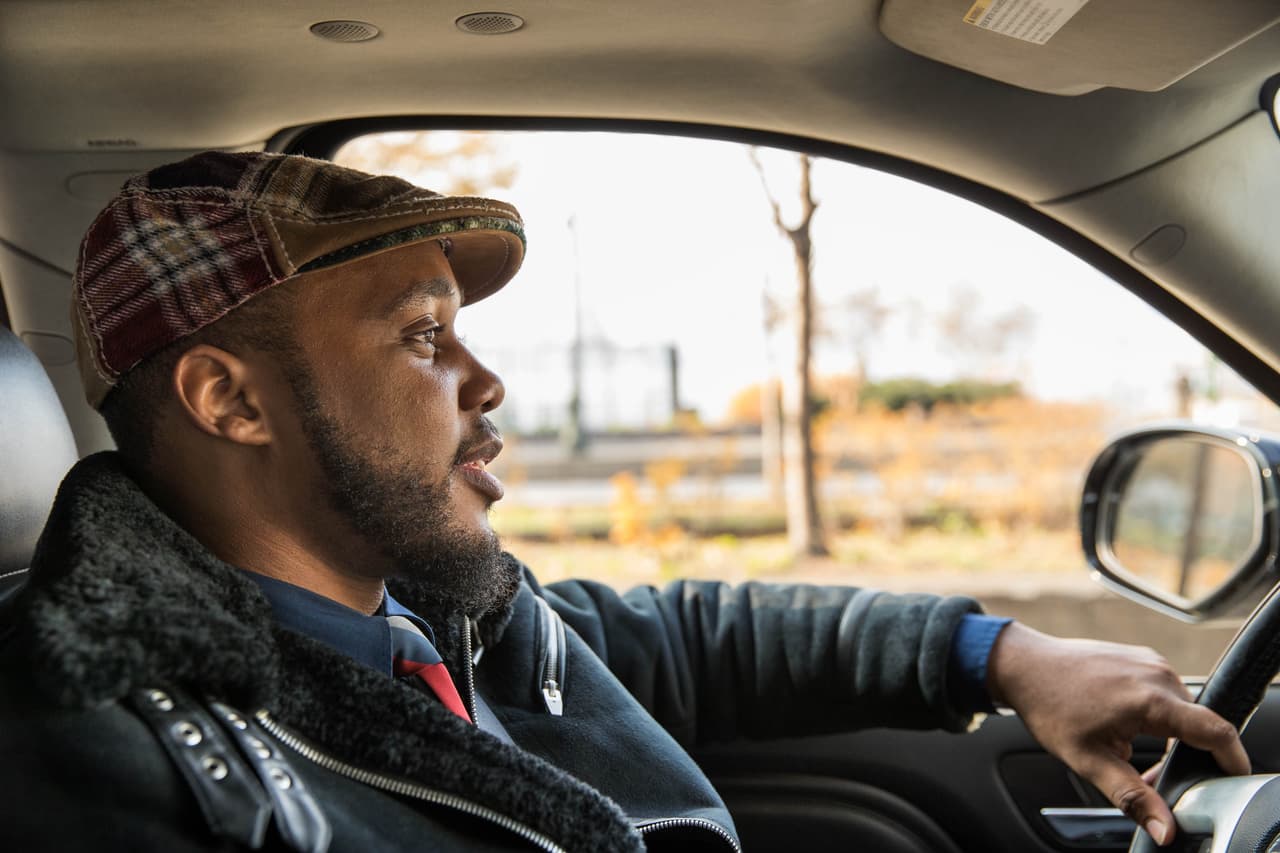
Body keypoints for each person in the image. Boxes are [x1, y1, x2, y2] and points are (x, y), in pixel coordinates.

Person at [0, 151, 1248, 852]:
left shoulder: (445, 620)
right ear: (232, 401)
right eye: (423, 335)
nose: (487, 378)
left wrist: (1003, 652)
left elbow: (688, 636)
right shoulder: (108, 749)